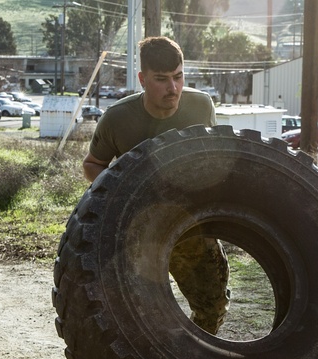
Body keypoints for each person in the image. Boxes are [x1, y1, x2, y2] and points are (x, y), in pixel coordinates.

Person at [82, 35, 229, 334]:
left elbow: (214, 158)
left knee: (212, 308)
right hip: (138, 228)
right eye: (161, 80)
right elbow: (92, 164)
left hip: (189, 225)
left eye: (178, 77)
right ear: (142, 79)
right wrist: (119, 189)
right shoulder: (118, 118)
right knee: (138, 316)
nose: (172, 88)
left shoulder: (201, 106)